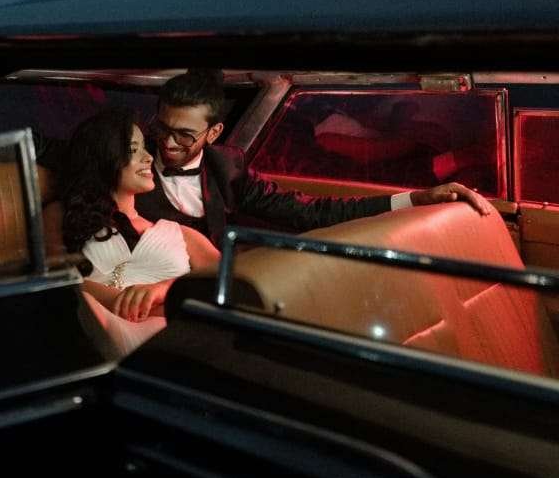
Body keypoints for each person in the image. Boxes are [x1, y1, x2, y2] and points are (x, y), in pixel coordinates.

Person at [138, 69, 494, 248]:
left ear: (214, 132)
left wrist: (415, 199)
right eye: (162, 128)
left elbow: (315, 211)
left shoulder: (227, 166)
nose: (167, 142)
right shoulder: (127, 164)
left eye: (185, 135)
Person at [51, 108, 220, 356]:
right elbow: (52, 281)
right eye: (133, 150)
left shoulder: (182, 234)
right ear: (104, 157)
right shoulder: (62, 215)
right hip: (97, 337)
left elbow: (235, 280)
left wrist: (164, 289)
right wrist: (114, 300)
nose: (148, 157)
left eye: (145, 148)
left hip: (182, 337)